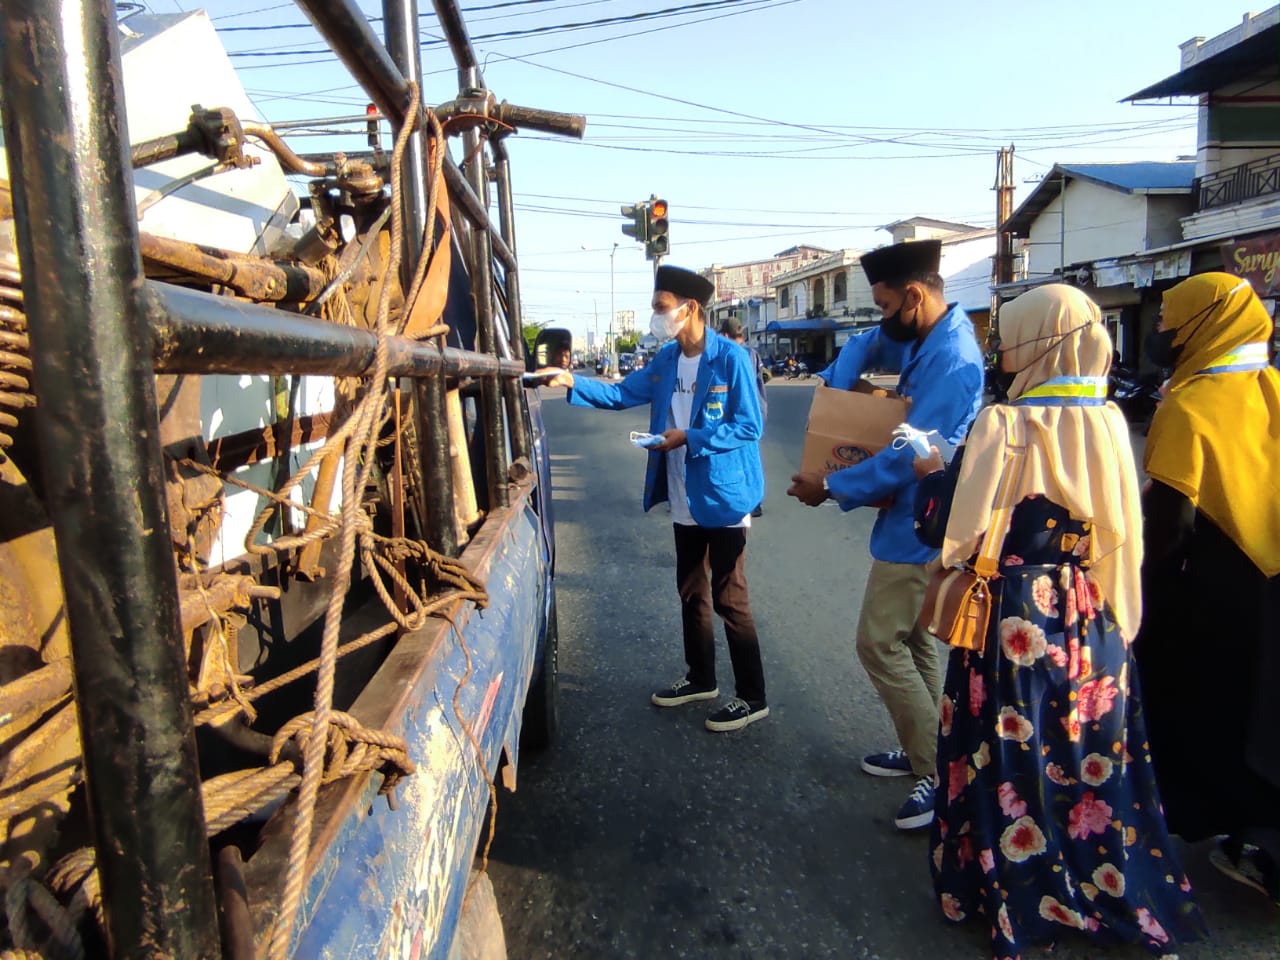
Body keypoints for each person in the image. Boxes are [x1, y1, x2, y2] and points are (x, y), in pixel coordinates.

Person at [913, 283, 1205, 958]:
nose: (1004, 345)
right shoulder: (1106, 421)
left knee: (1008, 748)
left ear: (1039, 339)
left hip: (1012, 619)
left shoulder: (1005, 425)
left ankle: (1013, 884)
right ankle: (1095, 877)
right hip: (1090, 610)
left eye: (1012, 332)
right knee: (1084, 746)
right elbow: (1123, 531)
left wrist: (931, 469)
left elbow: (948, 530)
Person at [787, 239, 983, 830]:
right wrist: (858, 355)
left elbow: (909, 454)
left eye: (884, 304)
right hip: (912, 519)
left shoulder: (952, 358)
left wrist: (834, 486)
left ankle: (935, 772)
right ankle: (925, 746)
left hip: (922, 525)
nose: (879, 320)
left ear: (915, 295)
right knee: (915, 643)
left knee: (877, 644)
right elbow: (857, 358)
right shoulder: (926, 337)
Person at [540, 266, 769, 732]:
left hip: (724, 493)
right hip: (683, 491)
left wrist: (688, 436)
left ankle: (752, 696)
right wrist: (570, 381)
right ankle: (701, 677)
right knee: (690, 589)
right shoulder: (666, 359)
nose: (657, 316)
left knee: (730, 596)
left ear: (691, 309)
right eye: (655, 307)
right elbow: (623, 393)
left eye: (662, 308)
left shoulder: (730, 358)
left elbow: (749, 425)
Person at [1135, 272, 1280, 904]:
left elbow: (1168, 528)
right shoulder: (1272, 386)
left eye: (1169, 324)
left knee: (1218, 710)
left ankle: (1240, 834)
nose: (1160, 333)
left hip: (1227, 592)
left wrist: (1137, 599)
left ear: (1203, 325)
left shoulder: (1190, 406)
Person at [722, 315, 768, 517]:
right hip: (757, 411)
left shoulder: (731, 353)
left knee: (739, 458)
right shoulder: (753, 353)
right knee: (752, 457)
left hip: (740, 414)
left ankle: (746, 501)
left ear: (724, 335)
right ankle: (755, 502)